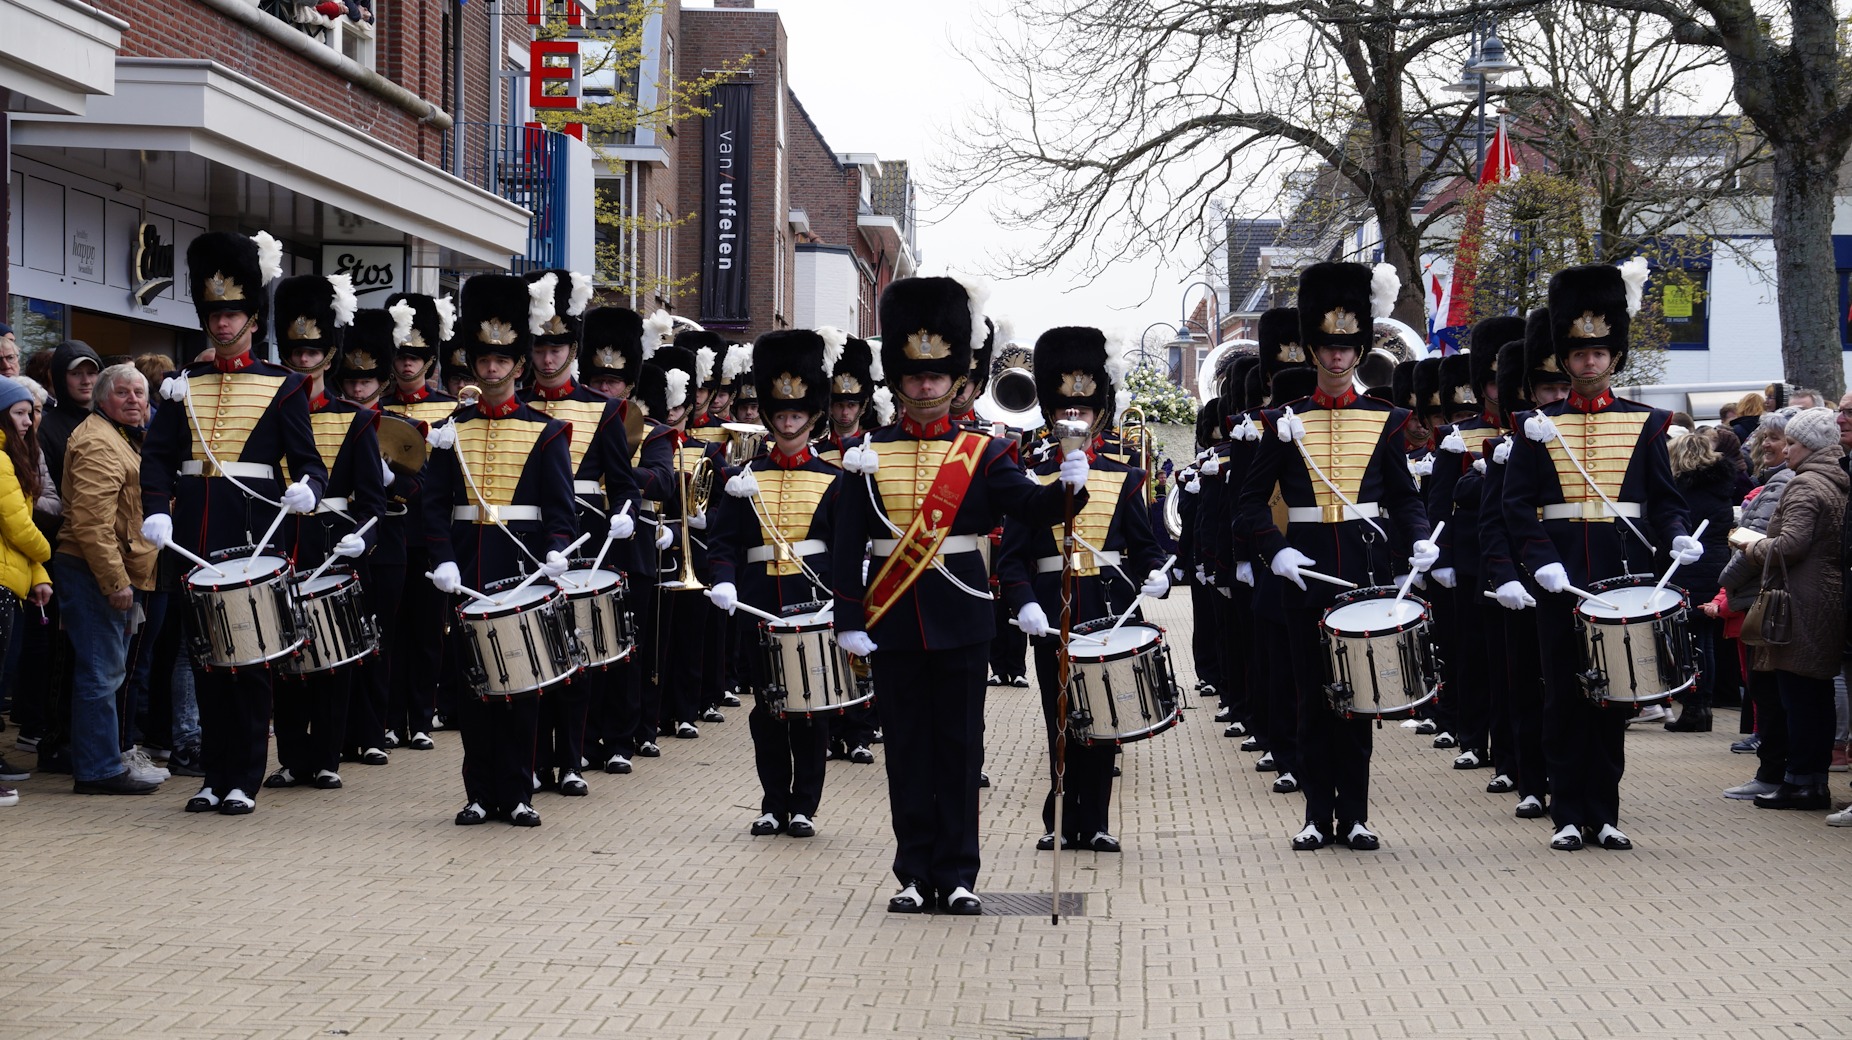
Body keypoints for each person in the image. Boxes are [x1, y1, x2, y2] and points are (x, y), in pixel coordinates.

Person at [833, 275, 1085, 915]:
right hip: (891, 623)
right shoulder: (867, 454)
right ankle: (915, 873)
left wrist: (1069, 485)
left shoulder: (983, 451)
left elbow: (1030, 506)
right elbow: (843, 549)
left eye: (937, 375)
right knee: (908, 753)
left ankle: (960, 872)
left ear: (956, 377)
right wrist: (848, 618)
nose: (925, 386)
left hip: (964, 619)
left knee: (960, 749)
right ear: (898, 378)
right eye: (914, 376)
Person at [1235, 262, 1433, 853]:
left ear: (1361, 348)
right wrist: (1276, 553)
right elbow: (1248, 504)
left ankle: (1359, 816)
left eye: (1348, 347)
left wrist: (1418, 536)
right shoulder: (1281, 421)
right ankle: (1317, 815)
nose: (1338, 357)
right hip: (1305, 572)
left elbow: (1402, 497)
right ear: (1314, 349)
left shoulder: (1388, 419)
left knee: (1363, 699)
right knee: (1314, 696)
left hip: (1366, 571)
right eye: (1328, 346)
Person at [1502, 260, 1696, 852]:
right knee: (1562, 696)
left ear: (1615, 357)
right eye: (1579, 354)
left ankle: (1605, 812)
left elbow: (1662, 503)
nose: (1589, 362)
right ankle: (1566, 813)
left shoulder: (1645, 424)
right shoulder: (1536, 426)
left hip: (1621, 581)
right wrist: (1540, 560)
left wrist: (1680, 535)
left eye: (1600, 353)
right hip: (1561, 582)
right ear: (1564, 358)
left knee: (1614, 699)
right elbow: (1516, 507)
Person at [140, 229, 328, 816]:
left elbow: (309, 462)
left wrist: (306, 491)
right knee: (205, 662)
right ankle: (212, 775)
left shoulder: (283, 384)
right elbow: (159, 457)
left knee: (247, 665)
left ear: (252, 318)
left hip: (252, 536)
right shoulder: (183, 386)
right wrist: (154, 510)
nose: (222, 325)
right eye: (214, 314)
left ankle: (243, 776)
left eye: (234, 314)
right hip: (193, 537)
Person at [998, 325, 1166, 853]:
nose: (1075, 419)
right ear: (1052, 415)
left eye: (1085, 412)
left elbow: (1142, 546)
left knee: (1106, 722)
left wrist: (1157, 570)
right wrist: (1022, 600)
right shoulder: (1030, 478)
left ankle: (1095, 821)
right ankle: (1060, 817)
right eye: (1066, 412)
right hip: (1052, 612)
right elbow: (1014, 558)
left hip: (1107, 612)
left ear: (1099, 416)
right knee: (1061, 720)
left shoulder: (1124, 475)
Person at [423, 274, 576, 828]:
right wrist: (441, 556)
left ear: (519, 365)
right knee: (472, 689)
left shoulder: (547, 431)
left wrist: (557, 551)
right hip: (465, 571)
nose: (491, 369)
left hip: (521, 573)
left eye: (502, 359)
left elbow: (561, 512)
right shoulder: (448, 431)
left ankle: (517, 793)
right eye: (482, 359)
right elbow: (434, 506)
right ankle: (478, 792)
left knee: (522, 687)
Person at [707, 328, 843, 838]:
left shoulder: (835, 479)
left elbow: (843, 548)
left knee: (810, 711)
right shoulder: (744, 476)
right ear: (768, 416)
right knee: (767, 710)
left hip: (812, 602)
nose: (788, 422)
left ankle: (804, 803)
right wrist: (724, 581)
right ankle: (772, 801)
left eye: (797, 414)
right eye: (781, 414)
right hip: (759, 603)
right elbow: (723, 544)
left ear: (812, 417)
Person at [517, 268, 642, 797]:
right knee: (527, 653)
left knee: (576, 653)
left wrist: (626, 512)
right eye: (540, 348)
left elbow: (626, 481)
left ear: (574, 348)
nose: (548, 358)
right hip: (524, 538)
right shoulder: (514, 407)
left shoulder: (604, 408)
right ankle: (529, 762)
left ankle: (570, 759)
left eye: (558, 347)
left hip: (586, 537)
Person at [266, 280, 387, 791]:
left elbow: (373, 501)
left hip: (333, 546)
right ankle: (292, 757)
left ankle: (327, 757)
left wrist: (364, 536)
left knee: (333, 661)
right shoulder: (267, 412)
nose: (301, 361)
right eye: (294, 352)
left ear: (328, 356)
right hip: (279, 543)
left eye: (311, 352)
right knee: (286, 659)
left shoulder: (354, 419)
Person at [1727, 408, 1847, 813]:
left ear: (1808, 446)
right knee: (1814, 693)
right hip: (1824, 596)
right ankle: (1811, 781)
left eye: (1792, 442)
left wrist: (1751, 546)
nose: (1785, 449)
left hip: (1799, 601)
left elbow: (1790, 545)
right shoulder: (1836, 481)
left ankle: (1801, 783)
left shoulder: (1805, 485)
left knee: (1798, 695)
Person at [54, 364, 162, 795]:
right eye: (123, 392)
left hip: (102, 568)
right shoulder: (99, 442)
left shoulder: (118, 436)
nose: (134, 399)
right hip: (92, 569)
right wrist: (115, 582)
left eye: (140, 391)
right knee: (100, 673)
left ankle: (101, 763)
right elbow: (91, 524)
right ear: (102, 399)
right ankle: (97, 771)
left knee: (106, 671)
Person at [381, 291, 458, 748]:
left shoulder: (448, 408)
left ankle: (422, 718)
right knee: (391, 630)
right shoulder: (379, 405)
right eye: (401, 357)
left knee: (429, 632)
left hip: (431, 536)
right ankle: (391, 718)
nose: (407, 365)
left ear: (430, 360)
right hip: (390, 533)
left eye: (416, 357)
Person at [0, 377, 53, 802]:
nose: (27, 421)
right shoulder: (0, 460)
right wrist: (49, 550)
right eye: (19, 413)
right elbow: (18, 526)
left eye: (29, 413)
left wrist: (39, 575)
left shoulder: (16, 457)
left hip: (12, 579)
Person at [1664, 431, 1735, 732]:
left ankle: (1694, 707)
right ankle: (1703, 708)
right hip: (1716, 565)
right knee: (1704, 639)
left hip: (1688, 568)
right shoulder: (1720, 487)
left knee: (1689, 642)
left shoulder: (1683, 491)